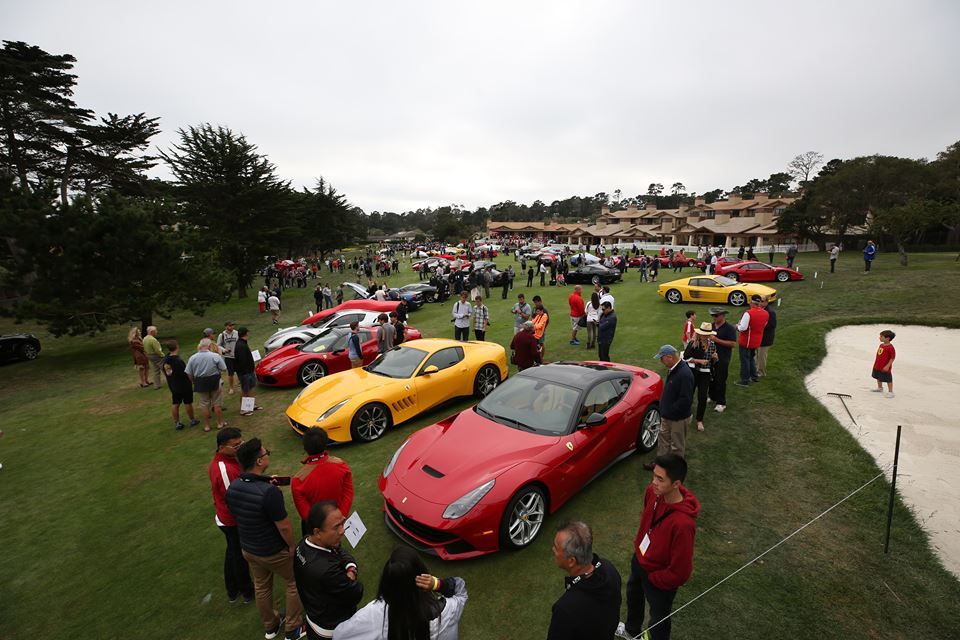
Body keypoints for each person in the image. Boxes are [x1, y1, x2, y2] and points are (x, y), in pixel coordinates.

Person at [226, 439, 305, 640]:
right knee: (294, 581)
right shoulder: (270, 493)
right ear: (259, 461)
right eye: (266, 453)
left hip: (249, 549)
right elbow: (284, 526)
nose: (268, 454)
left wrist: (265, 482)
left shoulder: (234, 487)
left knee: (261, 586)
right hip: (273, 550)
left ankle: (271, 626)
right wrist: (291, 546)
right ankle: (293, 629)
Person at [620, 454, 700, 640]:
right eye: (654, 476)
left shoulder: (683, 524)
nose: (653, 482)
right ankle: (632, 631)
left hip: (658, 577)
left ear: (676, 484)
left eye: (660, 479)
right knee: (633, 596)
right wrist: (639, 556)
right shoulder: (652, 492)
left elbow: (681, 571)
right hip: (639, 560)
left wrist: (656, 579)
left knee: (659, 619)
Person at [332, 546, 467, 640]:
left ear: (386, 582)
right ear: (422, 574)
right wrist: (437, 584)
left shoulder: (373, 614)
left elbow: (339, 635)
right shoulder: (449, 609)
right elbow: (460, 588)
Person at [295, 501, 365, 639]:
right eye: (336, 527)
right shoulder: (327, 571)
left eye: (342, 523)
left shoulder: (304, 543)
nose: (342, 530)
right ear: (317, 532)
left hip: (315, 618)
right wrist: (351, 572)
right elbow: (356, 592)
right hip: (332, 630)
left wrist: (349, 565)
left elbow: (338, 550)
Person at [547, 521, 621, 640]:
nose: (553, 550)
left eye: (556, 547)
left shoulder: (565, 608)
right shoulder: (609, 568)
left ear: (571, 561)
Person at [209, 427, 254, 604]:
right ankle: (246, 590)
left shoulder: (228, 461)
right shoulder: (224, 469)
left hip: (228, 518)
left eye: (241, 443)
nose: (240, 447)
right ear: (222, 447)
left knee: (232, 551)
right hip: (232, 520)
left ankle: (233, 589)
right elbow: (235, 497)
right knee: (239, 555)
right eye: (235, 446)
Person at [292, 428, 354, 537]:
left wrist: (321, 529)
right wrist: (340, 518)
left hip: (316, 530)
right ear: (326, 443)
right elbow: (348, 493)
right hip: (336, 522)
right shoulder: (341, 464)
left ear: (305, 449)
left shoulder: (298, 480)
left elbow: (305, 514)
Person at [644, 346, 694, 470]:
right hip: (668, 415)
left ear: (669, 357)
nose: (661, 362)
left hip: (678, 418)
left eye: (662, 359)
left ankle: (674, 471)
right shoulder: (673, 368)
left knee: (676, 446)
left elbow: (686, 400)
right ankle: (660, 465)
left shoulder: (684, 374)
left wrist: (669, 411)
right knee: (663, 441)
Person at [185, 338, 228, 432]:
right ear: (209, 346)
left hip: (200, 383)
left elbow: (188, 373)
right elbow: (224, 368)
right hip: (214, 381)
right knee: (217, 403)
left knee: (204, 404)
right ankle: (219, 423)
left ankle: (207, 426)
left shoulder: (192, 358)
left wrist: (193, 381)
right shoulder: (215, 356)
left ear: (200, 346)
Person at [683, 323, 717, 432]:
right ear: (699, 333)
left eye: (707, 334)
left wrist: (715, 358)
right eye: (703, 334)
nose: (705, 336)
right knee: (689, 395)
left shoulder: (712, 345)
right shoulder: (693, 343)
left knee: (702, 397)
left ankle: (699, 420)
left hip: (705, 374)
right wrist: (699, 361)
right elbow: (685, 358)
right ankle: (686, 415)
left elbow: (714, 361)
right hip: (693, 373)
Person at [162, 340, 199, 430]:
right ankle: (192, 420)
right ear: (177, 347)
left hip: (173, 385)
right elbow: (187, 373)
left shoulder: (166, 359)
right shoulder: (178, 361)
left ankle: (177, 423)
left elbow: (165, 371)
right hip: (183, 385)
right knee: (187, 402)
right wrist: (193, 381)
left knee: (175, 403)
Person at [705, 308, 736, 414]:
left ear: (723, 316)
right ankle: (712, 396)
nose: (714, 318)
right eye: (713, 316)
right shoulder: (711, 326)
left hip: (723, 357)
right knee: (710, 378)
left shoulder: (729, 328)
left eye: (716, 316)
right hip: (710, 357)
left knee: (721, 379)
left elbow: (733, 344)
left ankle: (721, 402)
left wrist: (717, 340)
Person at [734, 295, 769, 386]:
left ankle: (744, 380)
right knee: (751, 359)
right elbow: (763, 325)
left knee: (745, 360)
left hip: (746, 341)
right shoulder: (765, 313)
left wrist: (737, 326)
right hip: (757, 340)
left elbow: (743, 328)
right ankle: (754, 376)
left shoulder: (748, 313)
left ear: (751, 302)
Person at [234, 327, 259, 416]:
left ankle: (251, 406)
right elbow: (242, 361)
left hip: (248, 371)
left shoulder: (243, 343)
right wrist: (245, 372)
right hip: (245, 372)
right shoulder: (241, 345)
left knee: (250, 388)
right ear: (246, 333)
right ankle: (243, 409)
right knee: (245, 390)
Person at [871, 329, 896, 398]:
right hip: (878, 365)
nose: (879, 337)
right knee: (878, 376)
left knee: (888, 378)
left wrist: (888, 366)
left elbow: (892, 357)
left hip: (885, 366)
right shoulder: (881, 345)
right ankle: (880, 388)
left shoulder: (890, 347)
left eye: (881, 336)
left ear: (887, 338)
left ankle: (891, 392)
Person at [756, 296, 776, 378]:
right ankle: (756, 370)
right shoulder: (758, 310)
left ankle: (761, 372)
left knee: (762, 356)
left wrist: (760, 325)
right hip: (758, 337)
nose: (760, 303)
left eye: (762, 301)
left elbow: (772, 325)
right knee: (756, 355)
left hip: (766, 338)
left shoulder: (770, 312)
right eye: (759, 301)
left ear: (767, 302)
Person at [217, 321, 239, 395]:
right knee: (230, 373)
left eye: (233, 325)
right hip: (228, 357)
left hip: (237, 355)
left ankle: (241, 383)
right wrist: (224, 350)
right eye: (230, 326)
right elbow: (218, 346)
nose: (232, 327)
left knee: (240, 370)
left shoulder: (236, 333)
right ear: (226, 326)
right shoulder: (222, 335)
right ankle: (231, 388)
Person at [531, 296, 549, 364]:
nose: (535, 304)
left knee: (541, 344)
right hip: (534, 330)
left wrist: (543, 329)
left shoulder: (544, 310)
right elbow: (533, 318)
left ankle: (541, 358)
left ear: (540, 301)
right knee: (535, 345)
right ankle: (537, 358)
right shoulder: (534, 309)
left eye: (536, 302)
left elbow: (546, 321)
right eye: (534, 302)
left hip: (540, 331)